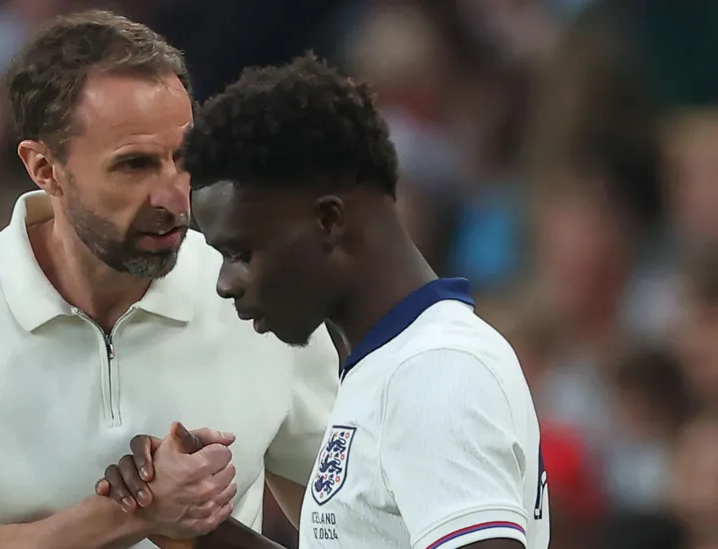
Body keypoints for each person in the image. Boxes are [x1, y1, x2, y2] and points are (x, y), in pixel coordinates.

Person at [0, 12, 339, 549]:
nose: (173, 196)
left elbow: (348, 524)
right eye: (134, 166)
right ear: (44, 168)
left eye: (184, 158)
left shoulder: (265, 294)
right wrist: (131, 514)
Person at [97, 54, 551, 549]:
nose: (225, 283)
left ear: (330, 221)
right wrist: (196, 530)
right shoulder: (388, 367)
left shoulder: (436, 370)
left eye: (241, 252)